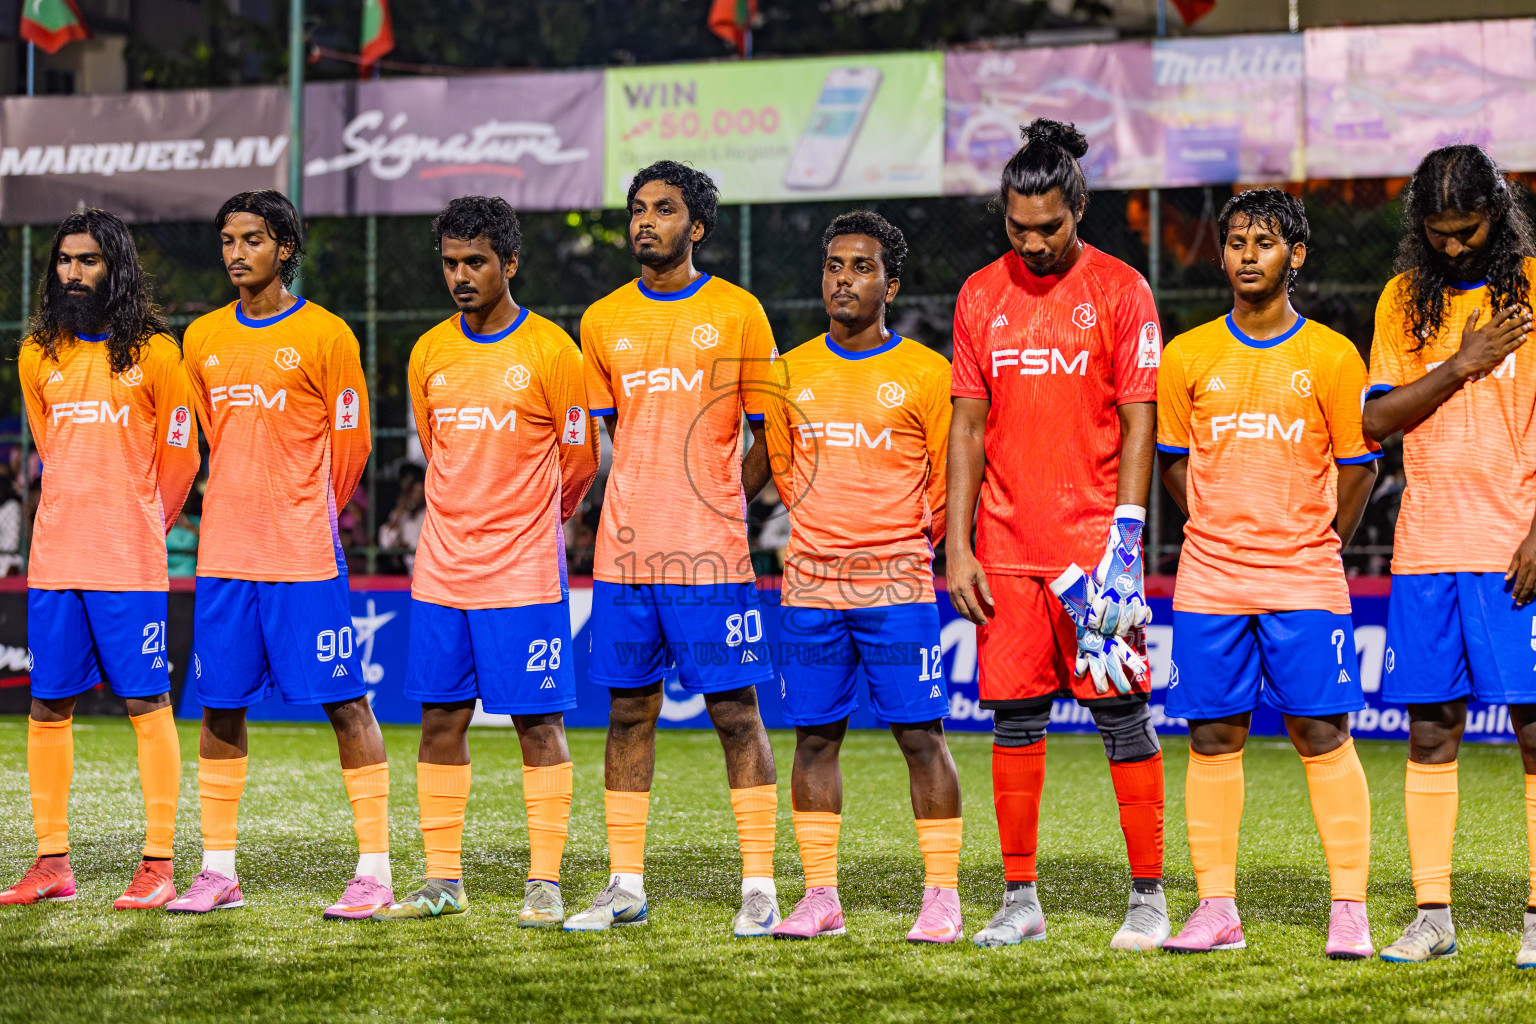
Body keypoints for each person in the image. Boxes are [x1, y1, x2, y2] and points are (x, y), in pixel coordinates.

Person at [946, 119, 1169, 950]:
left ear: (1078, 208)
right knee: (1012, 723)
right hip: (1003, 550)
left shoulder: (1122, 290)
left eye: (1050, 226)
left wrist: (1127, 538)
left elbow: (1139, 418)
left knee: (1123, 719)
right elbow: (967, 428)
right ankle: (1019, 896)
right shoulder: (978, 294)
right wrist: (959, 544)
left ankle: (1148, 897)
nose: (1033, 242)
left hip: (1092, 556)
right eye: (1017, 228)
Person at [1156, 188, 1380, 958]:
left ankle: (1349, 907)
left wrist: (1323, 542)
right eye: (1238, 242)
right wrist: (1214, 528)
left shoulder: (1331, 355)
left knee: (1321, 731)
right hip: (1210, 579)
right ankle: (1217, 908)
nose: (1250, 255)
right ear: (1219, 255)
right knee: (1212, 735)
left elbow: (1359, 470)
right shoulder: (1186, 356)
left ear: (1298, 255)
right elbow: (1174, 467)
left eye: (1266, 242)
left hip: (1305, 578)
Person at [565, 161, 781, 936]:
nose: (644, 222)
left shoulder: (739, 312)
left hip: (710, 556)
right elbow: (612, 434)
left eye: (663, 209)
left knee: (734, 713)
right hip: (624, 557)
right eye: (636, 210)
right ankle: (624, 882)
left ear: (696, 225)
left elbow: (775, 435)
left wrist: (725, 500)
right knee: (627, 714)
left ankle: (759, 885)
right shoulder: (600, 321)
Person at [372, 196, 598, 927]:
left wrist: (531, 522)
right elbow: (438, 452)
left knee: (538, 724)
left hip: (524, 572)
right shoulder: (429, 352)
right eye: (451, 262)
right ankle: (443, 880)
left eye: (476, 262)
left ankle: (544, 882)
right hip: (441, 569)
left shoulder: (553, 352)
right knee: (440, 720)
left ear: (510, 264)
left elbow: (579, 461)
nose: (461, 275)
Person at [169, 190, 391, 919]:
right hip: (226, 554)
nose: (237, 254)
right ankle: (219, 872)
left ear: (285, 248)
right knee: (219, 708)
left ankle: (375, 871)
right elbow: (207, 435)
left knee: (345, 704)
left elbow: (350, 445)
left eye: (253, 240)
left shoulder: (328, 336)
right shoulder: (200, 337)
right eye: (228, 240)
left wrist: (307, 511)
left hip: (302, 556)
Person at [765, 211, 964, 943]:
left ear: (891, 283)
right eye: (834, 266)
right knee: (814, 740)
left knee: (921, 736)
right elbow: (784, 470)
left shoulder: (926, 373)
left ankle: (941, 896)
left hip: (898, 590)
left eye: (861, 267)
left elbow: (947, 485)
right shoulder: (789, 370)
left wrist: (901, 544)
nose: (844, 279)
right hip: (811, 590)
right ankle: (820, 896)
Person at [1362, 144, 1536, 968]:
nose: (1454, 248)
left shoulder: (1534, 290)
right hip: (1428, 543)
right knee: (1431, 732)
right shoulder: (1403, 300)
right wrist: (1461, 363)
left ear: (1496, 213)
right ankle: (1433, 915)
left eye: (1466, 232)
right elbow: (1377, 419)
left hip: (1517, 545)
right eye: (1438, 234)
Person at [0, 209, 199, 910]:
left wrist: (142, 523)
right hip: (55, 561)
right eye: (64, 261)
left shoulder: (158, 354)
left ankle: (159, 863)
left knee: (147, 704)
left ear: (114, 266)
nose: (73, 274)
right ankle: (51, 862)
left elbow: (181, 459)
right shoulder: (36, 354)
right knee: (47, 707)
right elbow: (52, 452)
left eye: (88, 261)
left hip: (128, 565)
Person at [378, 463, 426, 574]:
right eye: (415, 492)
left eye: (420, 492)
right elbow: (385, 542)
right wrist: (399, 513)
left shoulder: (429, 515)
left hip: (425, 572)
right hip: (404, 573)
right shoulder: (401, 515)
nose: (417, 496)